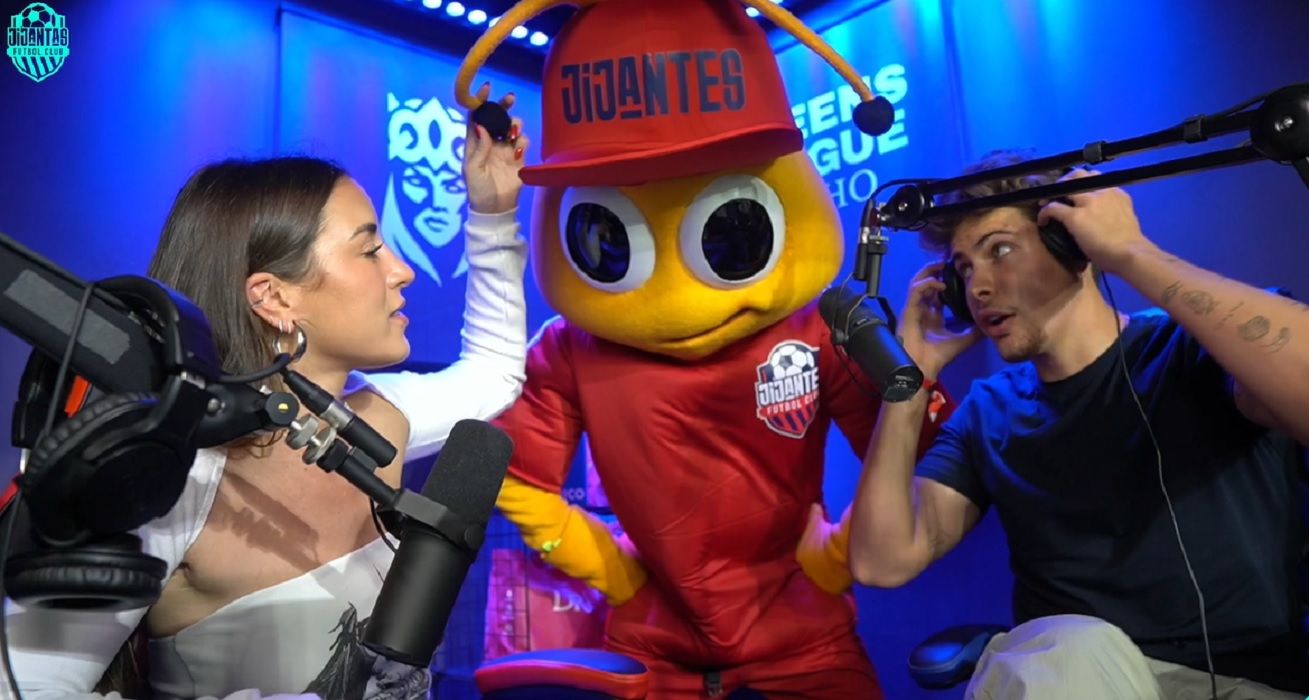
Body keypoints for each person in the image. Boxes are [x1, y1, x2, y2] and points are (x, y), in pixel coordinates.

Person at [2, 87, 531, 699]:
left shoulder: (384, 419)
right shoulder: (172, 480)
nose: (402, 269)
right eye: (369, 250)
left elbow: (493, 372)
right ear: (274, 298)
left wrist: (493, 213)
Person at [847, 150, 1309, 699]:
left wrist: (1131, 253)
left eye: (999, 251)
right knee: (1072, 648)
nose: (978, 288)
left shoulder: (1193, 350)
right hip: (1077, 678)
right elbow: (882, 561)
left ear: (1072, 241)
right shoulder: (989, 412)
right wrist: (909, 381)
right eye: (964, 270)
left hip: (1247, 682)